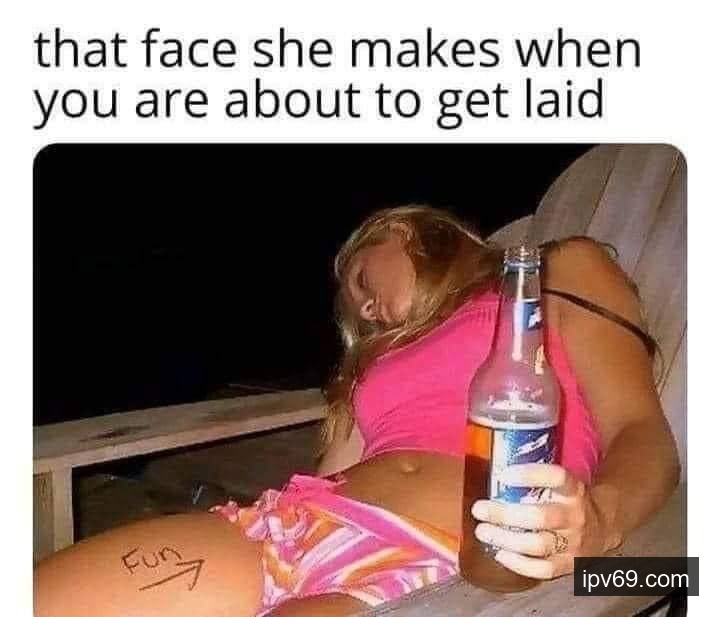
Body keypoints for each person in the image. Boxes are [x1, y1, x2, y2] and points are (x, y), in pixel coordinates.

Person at [34, 205, 680, 617]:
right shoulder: (378, 358)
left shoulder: (552, 271)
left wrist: (601, 522)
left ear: (401, 232)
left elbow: (641, 431)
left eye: (362, 281)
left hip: (436, 552)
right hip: (290, 526)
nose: (364, 308)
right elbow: (336, 469)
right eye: (357, 310)